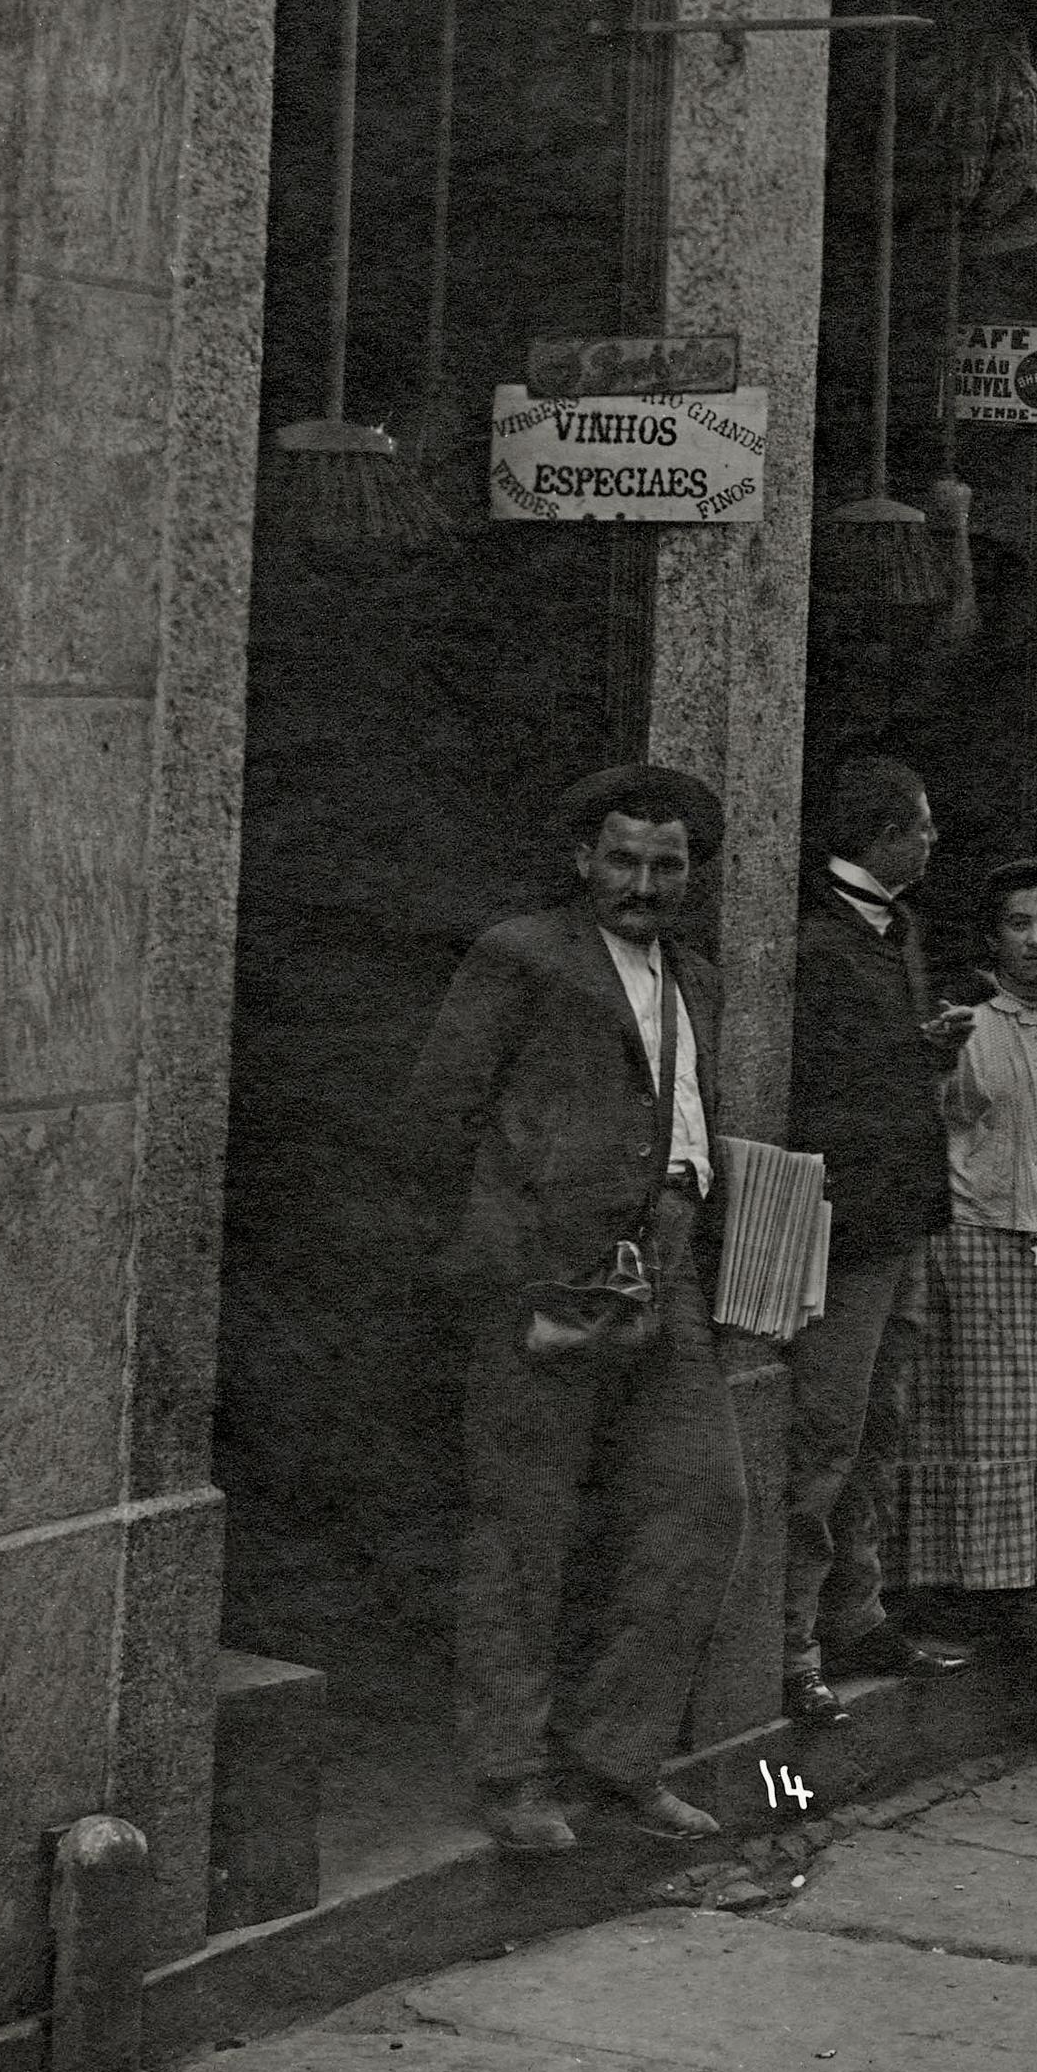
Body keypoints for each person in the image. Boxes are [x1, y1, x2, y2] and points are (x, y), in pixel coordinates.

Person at [411, 761, 742, 1854]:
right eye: (622, 860)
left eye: (666, 865)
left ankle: (618, 1755)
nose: (643, 885)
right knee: (524, 1526)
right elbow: (441, 1116)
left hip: (667, 1269)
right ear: (581, 859)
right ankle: (510, 1772)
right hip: (546, 1274)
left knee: (704, 1501)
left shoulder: (696, 975)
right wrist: (508, 1268)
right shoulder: (522, 954)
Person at [780, 758, 975, 1725]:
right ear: (886, 834)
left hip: (902, 1215)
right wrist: (914, 1050)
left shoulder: (897, 931)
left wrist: (927, 1049)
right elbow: (821, 1082)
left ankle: (855, 1614)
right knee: (825, 1434)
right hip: (850, 1221)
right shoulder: (818, 940)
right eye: (924, 826)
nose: (934, 841)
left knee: (879, 1427)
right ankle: (790, 1646)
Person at [896, 857, 1037, 1618]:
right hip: (976, 1228)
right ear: (993, 937)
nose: (1036, 939)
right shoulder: (966, 1022)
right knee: (985, 1412)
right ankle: (973, 1582)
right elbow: (943, 1118)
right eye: (1019, 925)